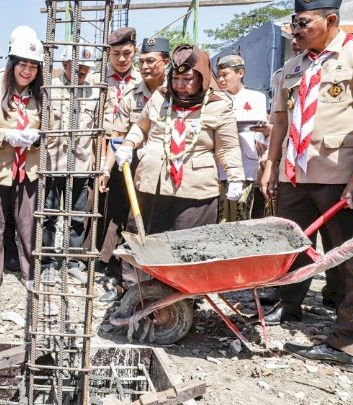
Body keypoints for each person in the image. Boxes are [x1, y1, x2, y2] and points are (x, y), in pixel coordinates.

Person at [259, 0, 353, 370]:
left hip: (337, 172)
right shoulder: (292, 67)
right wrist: (269, 166)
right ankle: (289, 304)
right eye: (293, 23)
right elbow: (280, 121)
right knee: (292, 245)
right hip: (294, 174)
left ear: (331, 20)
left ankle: (345, 340)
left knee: (346, 259)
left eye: (303, 23)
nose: (295, 30)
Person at [113, 44, 245, 286]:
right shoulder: (160, 97)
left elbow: (227, 148)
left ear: (202, 78)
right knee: (141, 240)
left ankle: (180, 300)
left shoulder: (218, 105)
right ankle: (135, 293)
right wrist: (127, 145)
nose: (181, 85)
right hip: (151, 186)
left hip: (193, 193)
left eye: (188, 79)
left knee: (186, 247)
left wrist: (235, 177)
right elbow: (141, 127)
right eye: (176, 78)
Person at [98, 37, 169, 301]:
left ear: (166, 62)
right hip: (133, 170)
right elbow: (116, 136)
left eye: (152, 61)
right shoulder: (131, 96)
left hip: (168, 171)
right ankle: (128, 285)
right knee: (130, 223)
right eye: (143, 62)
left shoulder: (180, 91)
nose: (145, 67)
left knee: (162, 225)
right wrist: (106, 170)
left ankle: (162, 282)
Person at [0, 33, 44, 295]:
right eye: (22, 64)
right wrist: (6, 135)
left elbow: (52, 128)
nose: (27, 71)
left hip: (28, 171)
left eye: (33, 66)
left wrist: (37, 138)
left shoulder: (41, 95)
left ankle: (30, 272)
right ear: (12, 63)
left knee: (28, 224)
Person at [41, 45, 98, 286]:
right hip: (53, 162)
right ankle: (48, 264)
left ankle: (73, 262)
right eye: (77, 66)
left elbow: (97, 130)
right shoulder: (50, 91)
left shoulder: (95, 93)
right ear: (64, 65)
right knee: (50, 215)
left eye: (86, 67)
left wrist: (97, 160)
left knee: (77, 216)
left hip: (81, 164)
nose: (82, 71)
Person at [97, 27, 142, 277]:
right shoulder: (98, 80)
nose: (122, 59)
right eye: (116, 54)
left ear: (134, 51)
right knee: (99, 205)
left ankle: (120, 260)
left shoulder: (142, 81)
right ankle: (98, 258)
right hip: (102, 146)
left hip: (130, 149)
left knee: (125, 206)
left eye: (127, 53)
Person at [215, 54, 269, 223]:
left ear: (240, 73)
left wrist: (267, 131)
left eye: (225, 74)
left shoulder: (256, 98)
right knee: (221, 217)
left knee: (242, 216)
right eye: (219, 75)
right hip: (220, 165)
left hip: (247, 164)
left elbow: (261, 134)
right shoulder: (214, 99)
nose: (221, 79)